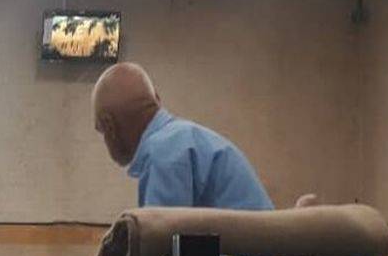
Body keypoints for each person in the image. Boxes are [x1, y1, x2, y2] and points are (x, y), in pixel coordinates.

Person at [91, 62, 274, 210]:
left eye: (102, 130)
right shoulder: (184, 138)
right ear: (156, 98)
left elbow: (162, 240)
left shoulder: (163, 152)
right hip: (255, 244)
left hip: (241, 247)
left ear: (110, 126)